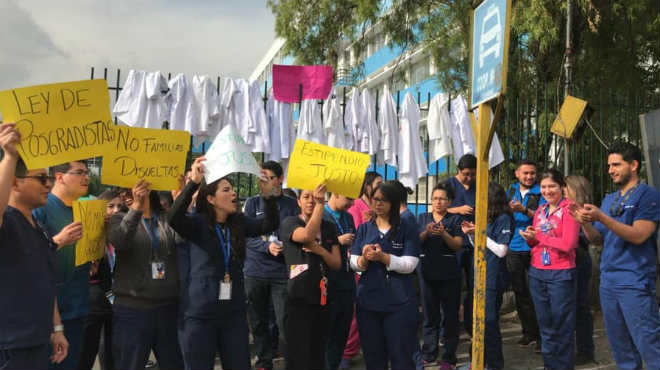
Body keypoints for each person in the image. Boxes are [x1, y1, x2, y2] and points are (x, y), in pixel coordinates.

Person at [168, 157, 280, 370]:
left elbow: (269, 224)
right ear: (210, 198)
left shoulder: (238, 223)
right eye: (226, 190)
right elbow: (173, 217)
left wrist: (268, 197)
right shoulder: (197, 223)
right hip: (200, 314)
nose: (234, 194)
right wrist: (193, 182)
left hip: (233, 313)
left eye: (233, 189)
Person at [575, 141, 660, 370]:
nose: (610, 170)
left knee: (650, 346)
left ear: (633, 165)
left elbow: (640, 235)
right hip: (609, 281)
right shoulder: (609, 199)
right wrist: (584, 223)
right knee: (620, 347)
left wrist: (602, 218)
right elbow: (597, 240)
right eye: (609, 165)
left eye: (616, 164)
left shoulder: (648, 195)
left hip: (634, 280)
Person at [0, 123, 68, 369]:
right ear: (15, 183)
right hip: (10, 346)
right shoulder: (7, 221)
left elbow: (43, 281)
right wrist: (9, 157)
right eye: (41, 178)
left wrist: (56, 328)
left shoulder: (38, 226)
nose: (48, 184)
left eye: (48, 178)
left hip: (38, 342)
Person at [107, 180, 184, 370]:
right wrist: (136, 209)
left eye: (130, 190)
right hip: (133, 311)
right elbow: (120, 241)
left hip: (167, 308)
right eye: (125, 192)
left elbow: (182, 238)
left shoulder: (166, 218)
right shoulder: (119, 219)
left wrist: (182, 196)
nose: (126, 195)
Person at [350, 181, 420, 370]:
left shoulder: (406, 228)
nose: (378, 204)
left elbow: (411, 263)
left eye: (383, 200)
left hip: (399, 303)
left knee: (401, 356)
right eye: (375, 200)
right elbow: (354, 261)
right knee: (373, 357)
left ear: (394, 203)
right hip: (369, 302)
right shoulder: (365, 229)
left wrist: (384, 258)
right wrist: (364, 260)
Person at [519, 169, 580, 370]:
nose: (547, 190)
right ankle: (549, 365)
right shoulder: (540, 210)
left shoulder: (570, 209)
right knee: (545, 325)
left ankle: (562, 366)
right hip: (537, 272)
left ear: (561, 187)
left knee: (562, 326)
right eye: (544, 187)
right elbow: (536, 244)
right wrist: (530, 238)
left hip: (561, 274)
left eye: (552, 186)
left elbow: (568, 244)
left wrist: (539, 237)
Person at [33, 160, 90, 370]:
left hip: (78, 308)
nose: (87, 177)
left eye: (88, 172)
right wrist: (58, 240)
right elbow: (28, 258)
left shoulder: (84, 209)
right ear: (59, 177)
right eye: (80, 172)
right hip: (50, 314)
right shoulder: (40, 209)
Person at [243, 161, 299, 370]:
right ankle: (264, 360)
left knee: (283, 320)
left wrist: (283, 244)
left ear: (279, 180)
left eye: (267, 177)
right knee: (257, 320)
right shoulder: (251, 203)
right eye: (260, 177)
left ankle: (289, 359)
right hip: (255, 270)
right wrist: (267, 246)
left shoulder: (291, 205)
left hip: (281, 272)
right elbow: (245, 235)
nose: (262, 181)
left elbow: (294, 232)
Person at [280, 185, 341, 369]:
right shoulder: (290, 223)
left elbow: (336, 263)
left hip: (322, 300)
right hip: (298, 300)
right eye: (306, 197)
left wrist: (319, 250)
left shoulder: (329, 228)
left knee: (317, 354)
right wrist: (321, 205)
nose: (311, 201)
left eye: (315, 197)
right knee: (299, 356)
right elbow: (307, 235)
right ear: (298, 201)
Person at [461, 182, 513, 370]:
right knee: (474, 320)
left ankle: (494, 364)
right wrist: (471, 235)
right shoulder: (486, 217)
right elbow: (480, 246)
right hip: (479, 276)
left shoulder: (504, 218)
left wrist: (480, 234)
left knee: (489, 323)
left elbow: (500, 250)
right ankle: (477, 360)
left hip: (493, 277)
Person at [417, 182, 463, 369]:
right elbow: (415, 241)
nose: (438, 202)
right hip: (427, 272)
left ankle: (449, 357)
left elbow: (457, 246)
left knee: (450, 316)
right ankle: (429, 353)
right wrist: (427, 233)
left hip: (449, 274)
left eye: (442, 199)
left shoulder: (455, 220)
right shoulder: (422, 218)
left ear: (449, 201)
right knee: (429, 315)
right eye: (435, 198)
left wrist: (444, 233)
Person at [341, 171, 382, 369]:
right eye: (377, 183)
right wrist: (367, 222)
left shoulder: (379, 205)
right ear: (367, 186)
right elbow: (355, 236)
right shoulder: (356, 206)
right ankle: (348, 352)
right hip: (360, 264)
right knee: (356, 312)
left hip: (379, 265)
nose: (380, 187)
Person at [77, 190, 121, 370]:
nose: (115, 210)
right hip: (93, 298)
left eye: (119, 206)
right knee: (87, 350)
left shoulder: (121, 233)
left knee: (112, 349)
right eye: (110, 206)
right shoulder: (89, 232)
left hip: (117, 298)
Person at [506, 159, 543, 352]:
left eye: (532, 173)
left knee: (537, 292)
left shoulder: (541, 192)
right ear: (517, 174)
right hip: (513, 246)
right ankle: (528, 332)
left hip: (534, 247)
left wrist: (525, 211)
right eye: (525, 173)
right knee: (520, 292)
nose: (529, 177)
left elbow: (544, 217)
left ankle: (541, 336)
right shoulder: (510, 192)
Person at [563, 175, 596, 366]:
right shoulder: (562, 208)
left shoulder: (584, 211)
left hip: (579, 260)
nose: (562, 190)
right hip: (565, 262)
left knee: (580, 306)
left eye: (565, 187)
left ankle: (585, 350)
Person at [322, 193, 356, 370]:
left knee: (342, 332)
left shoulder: (348, 217)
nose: (351, 203)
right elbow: (313, 243)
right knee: (327, 333)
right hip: (328, 282)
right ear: (335, 193)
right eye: (348, 198)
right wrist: (337, 241)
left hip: (347, 281)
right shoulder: (321, 215)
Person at [445, 154, 476, 337]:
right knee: (451, 286)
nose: (469, 178)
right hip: (454, 242)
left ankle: (471, 326)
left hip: (472, 243)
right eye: (466, 174)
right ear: (458, 171)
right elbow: (437, 208)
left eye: (473, 174)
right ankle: (449, 328)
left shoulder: (478, 185)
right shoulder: (448, 185)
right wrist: (458, 209)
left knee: (474, 285)